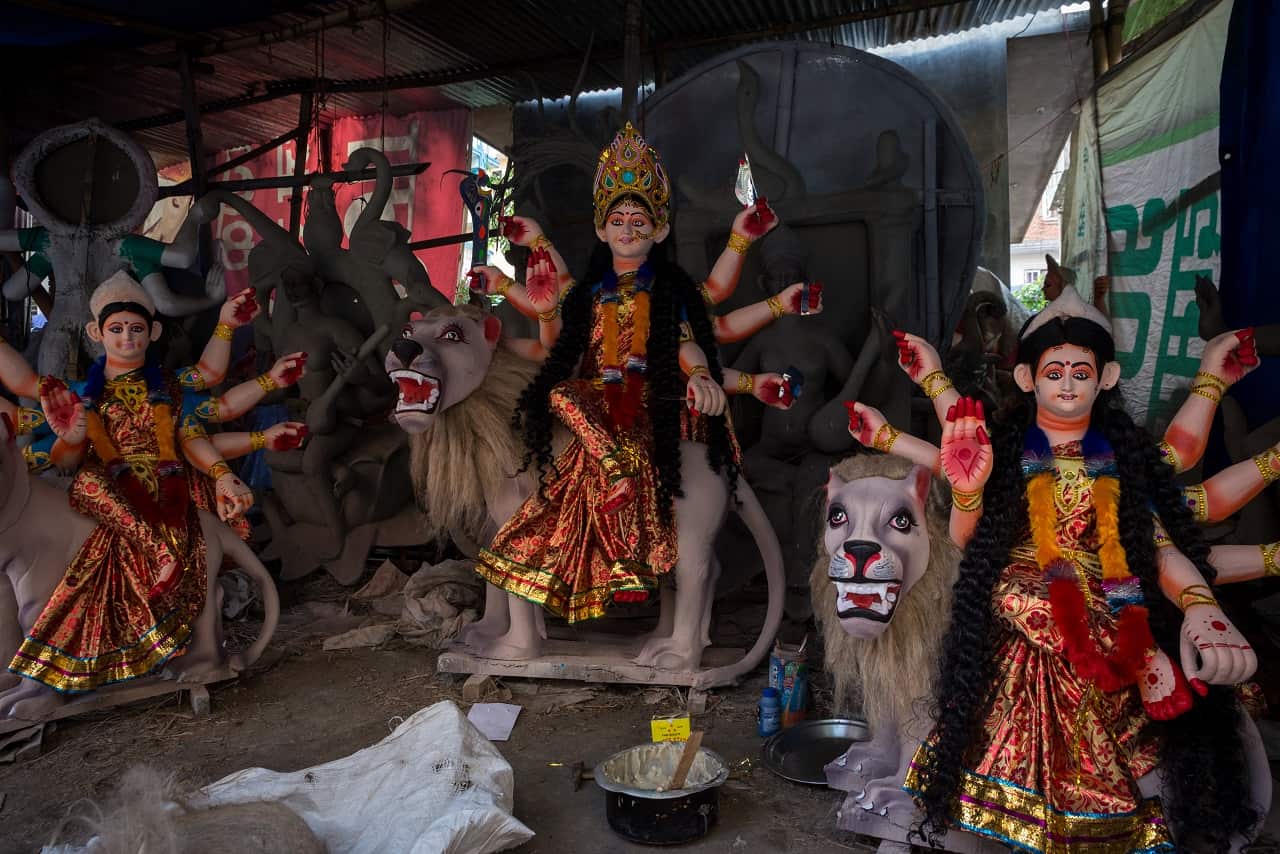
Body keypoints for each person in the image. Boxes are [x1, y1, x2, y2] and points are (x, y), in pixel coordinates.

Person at [885, 289, 1258, 851]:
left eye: (1080, 372)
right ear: (1026, 378)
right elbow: (971, 540)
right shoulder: (1006, 453)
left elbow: (1159, 549)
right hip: (1021, 603)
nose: (1066, 383)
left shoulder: (1122, 458)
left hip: (1112, 604)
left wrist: (1202, 608)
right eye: (1053, 370)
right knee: (1033, 618)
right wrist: (966, 493)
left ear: (1106, 377)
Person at [463, 122, 783, 634]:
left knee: (573, 396)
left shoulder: (666, 290)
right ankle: (610, 470)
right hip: (591, 411)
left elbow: (698, 326)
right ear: (600, 228)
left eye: (640, 219)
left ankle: (621, 469)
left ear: (659, 230)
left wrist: (701, 370)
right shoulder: (589, 292)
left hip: (645, 409)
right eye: (618, 218)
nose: (628, 228)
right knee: (561, 393)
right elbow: (550, 305)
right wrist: (515, 269)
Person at [0, 272, 264, 693]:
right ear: (95, 333)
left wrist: (227, 323)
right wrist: (70, 436)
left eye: (136, 329)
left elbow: (206, 390)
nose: (127, 339)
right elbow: (63, 455)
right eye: (117, 329)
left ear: (153, 332)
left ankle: (172, 584)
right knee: (88, 483)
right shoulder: (82, 394)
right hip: (106, 492)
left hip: (167, 487)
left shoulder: (173, 388)